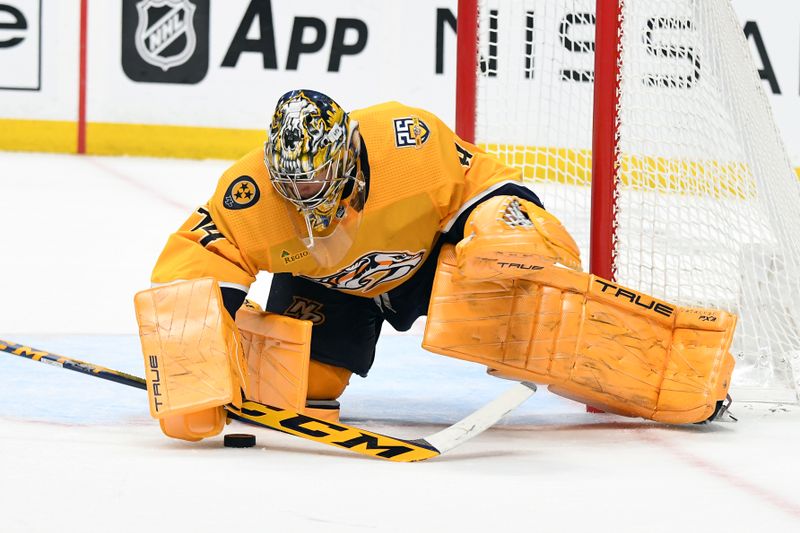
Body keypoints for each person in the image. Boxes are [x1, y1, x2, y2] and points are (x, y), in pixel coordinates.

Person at [134, 89, 736, 442]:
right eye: (290, 183)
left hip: (428, 264)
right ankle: (250, 375)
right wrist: (194, 372)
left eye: (315, 180)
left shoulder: (407, 140)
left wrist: (507, 225)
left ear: (345, 156)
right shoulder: (250, 192)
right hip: (330, 287)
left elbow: (486, 182)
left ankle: (683, 379)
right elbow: (195, 262)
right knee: (301, 391)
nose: (301, 196)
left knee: (522, 292)